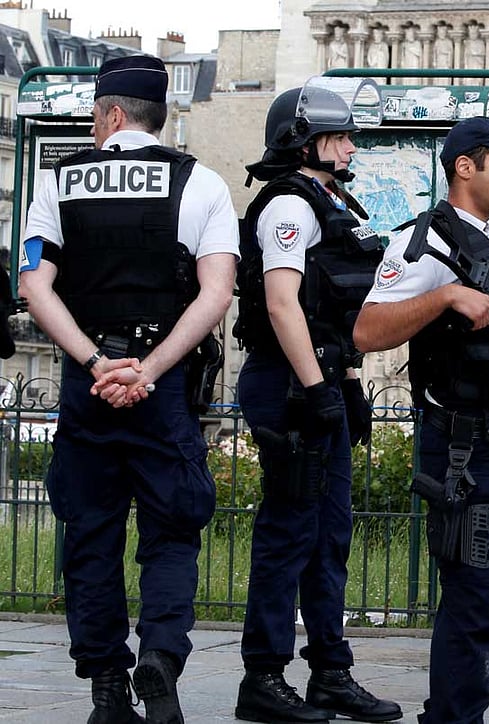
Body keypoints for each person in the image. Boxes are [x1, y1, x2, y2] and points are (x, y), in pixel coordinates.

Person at [18, 55, 239, 723]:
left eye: (94, 116)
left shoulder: (57, 183)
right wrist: (149, 368)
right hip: (160, 388)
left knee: (90, 535)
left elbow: (35, 286)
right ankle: (161, 658)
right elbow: (216, 293)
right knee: (172, 531)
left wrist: (94, 362)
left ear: (111, 114)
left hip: (89, 389)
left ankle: (108, 688)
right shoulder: (200, 182)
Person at [353, 117, 489, 723]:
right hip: (465, 448)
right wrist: (443, 296)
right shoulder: (430, 243)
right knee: (474, 595)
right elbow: (367, 330)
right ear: (465, 167)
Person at [232, 84, 401, 724]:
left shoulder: (330, 202)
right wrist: (316, 389)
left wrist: (347, 383)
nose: (352, 147)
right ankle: (264, 677)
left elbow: (333, 313)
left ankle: (331, 671)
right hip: (289, 384)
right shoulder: (288, 206)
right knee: (289, 534)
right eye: (341, 137)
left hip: (320, 379)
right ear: (304, 141)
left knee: (330, 535)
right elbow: (281, 303)